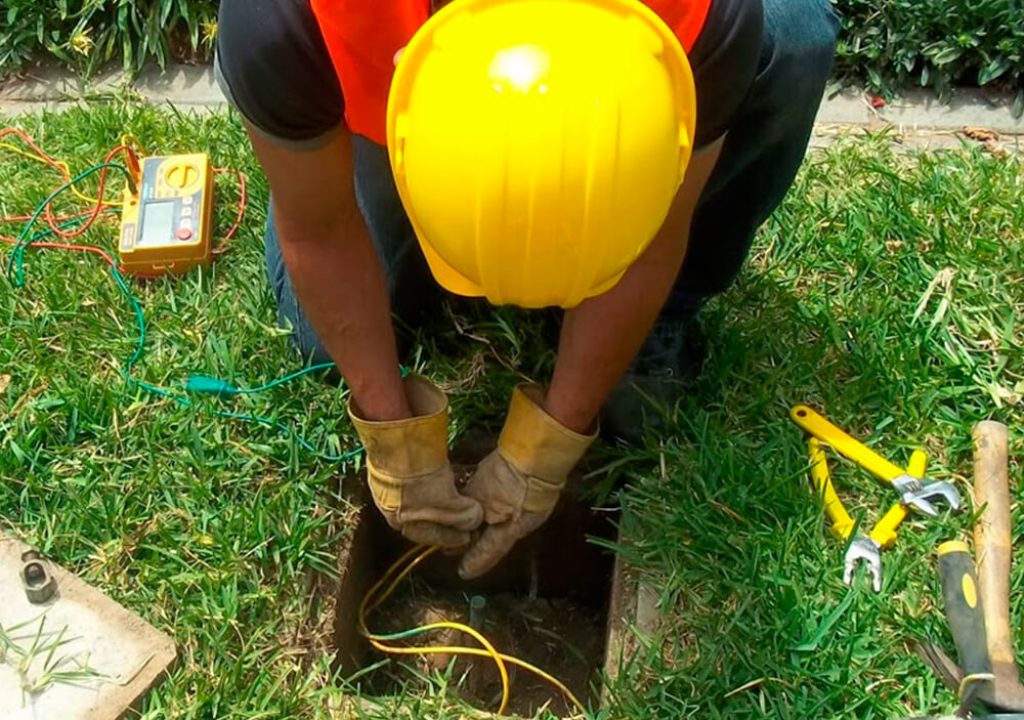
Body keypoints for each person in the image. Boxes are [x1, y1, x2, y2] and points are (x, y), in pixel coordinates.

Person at [215, 0, 839, 580]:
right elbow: (320, 232)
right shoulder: (288, 17)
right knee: (322, 338)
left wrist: (553, 441)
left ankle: (661, 317)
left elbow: (653, 238)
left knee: (794, 37)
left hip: (654, 80)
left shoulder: (696, 16)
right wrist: (391, 432)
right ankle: (435, 220)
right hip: (370, 92)